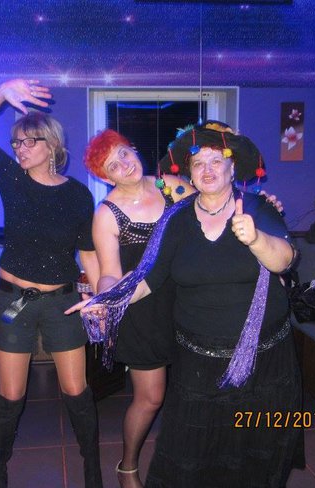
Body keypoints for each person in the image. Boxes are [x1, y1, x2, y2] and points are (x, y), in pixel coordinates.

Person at [69, 121, 304, 487]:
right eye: (199, 163)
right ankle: (129, 466)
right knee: (189, 437)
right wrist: (107, 302)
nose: (207, 170)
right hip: (185, 342)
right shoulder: (171, 218)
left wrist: (257, 235)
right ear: (190, 173)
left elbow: (285, 259)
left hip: (258, 352)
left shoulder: (248, 206)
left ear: (232, 168)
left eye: (216, 161)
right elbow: (142, 276)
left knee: (255, 442)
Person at [0, 79, 103, 488]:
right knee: (11, 394)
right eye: (16, 142)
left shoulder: (78, 195)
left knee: (77, 391)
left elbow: (88, 254)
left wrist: (100, 298)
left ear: (52, 145)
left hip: (62, 302)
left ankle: (92, 468)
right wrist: (0, 93)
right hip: (15, 302)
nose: (19, 149)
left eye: (29, 142)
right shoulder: (12, 178)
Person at [83, 130, 195, 487]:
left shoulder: (171, 187)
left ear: (133, 149)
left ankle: (186, 458)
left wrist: (257, 205)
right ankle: (127, 465)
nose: (124, 165)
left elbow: (215, 210)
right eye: (112, 166)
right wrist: (105, 298)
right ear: (106, 178)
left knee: (192, 391)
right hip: (142, 310)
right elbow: (109, 272)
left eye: (123, 153)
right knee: (150, 398)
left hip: (188, 300)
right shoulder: (107, 213)